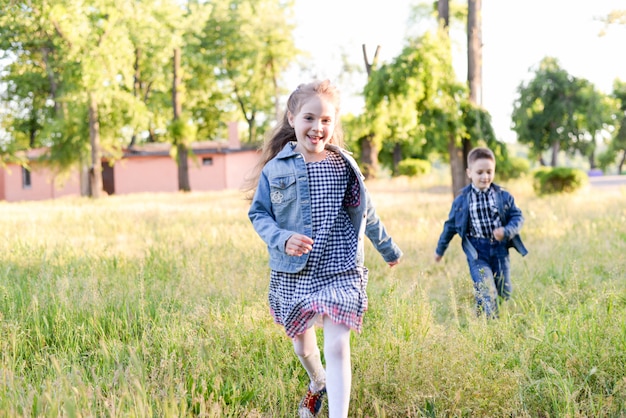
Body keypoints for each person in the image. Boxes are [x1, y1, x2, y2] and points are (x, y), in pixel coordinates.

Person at [246, 80, 403, 418]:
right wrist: (282, 238)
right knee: (302, 346)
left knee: (337, 345)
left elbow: (367, 212)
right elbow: (258, 213)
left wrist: (388, 249)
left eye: (326, 120)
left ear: (334, 122)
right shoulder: (276, 169)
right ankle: (318, 379)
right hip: (295, 272)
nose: (318, 127)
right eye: (309, 118)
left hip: (339, 268)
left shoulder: (345, 166)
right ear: (292, 119)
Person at [434, 147, 528, 318]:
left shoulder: (503, 196)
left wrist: (506, 231)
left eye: (489, 172)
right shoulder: (462, 201)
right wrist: (439, 251)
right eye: (479, 172)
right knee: (486, 290)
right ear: (469, 173)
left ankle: (481, 311)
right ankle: (490, 328)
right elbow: (449, 227)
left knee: (503, 292)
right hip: (477, 252)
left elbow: (518, 217)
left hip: (500, 250)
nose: (485, 177)